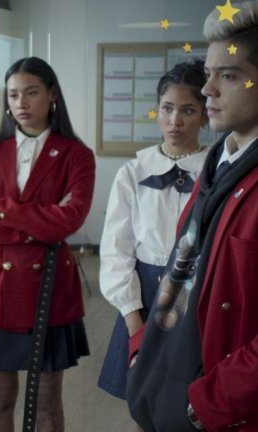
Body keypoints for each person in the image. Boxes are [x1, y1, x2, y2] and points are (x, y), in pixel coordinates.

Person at [126, 2, 258, 430]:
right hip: (168, 379)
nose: (207, 92)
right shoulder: (218, 162)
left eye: (231, 76)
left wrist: (207, 405)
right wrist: (142, 349)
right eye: (209, 74)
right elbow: (181, 269)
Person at [0, 56, 95, 432]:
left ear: (51, 95)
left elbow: (70, 220)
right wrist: (40, 220)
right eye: (13, 94)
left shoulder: (76, 155)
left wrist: (0, 209)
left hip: (48, 285)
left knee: (48, 401)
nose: (21, 103)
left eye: (31, 92)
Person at [98, 60, 209, 403]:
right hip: (144, 295)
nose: (175, 121)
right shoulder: (133, 173)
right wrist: (133, 317)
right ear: (156, 112)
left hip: (197, 293)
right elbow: (117, 250)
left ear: (205, 115)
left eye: (188, 110)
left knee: (190, 403)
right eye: (167, 109)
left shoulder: (216, 171)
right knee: (144, 402)